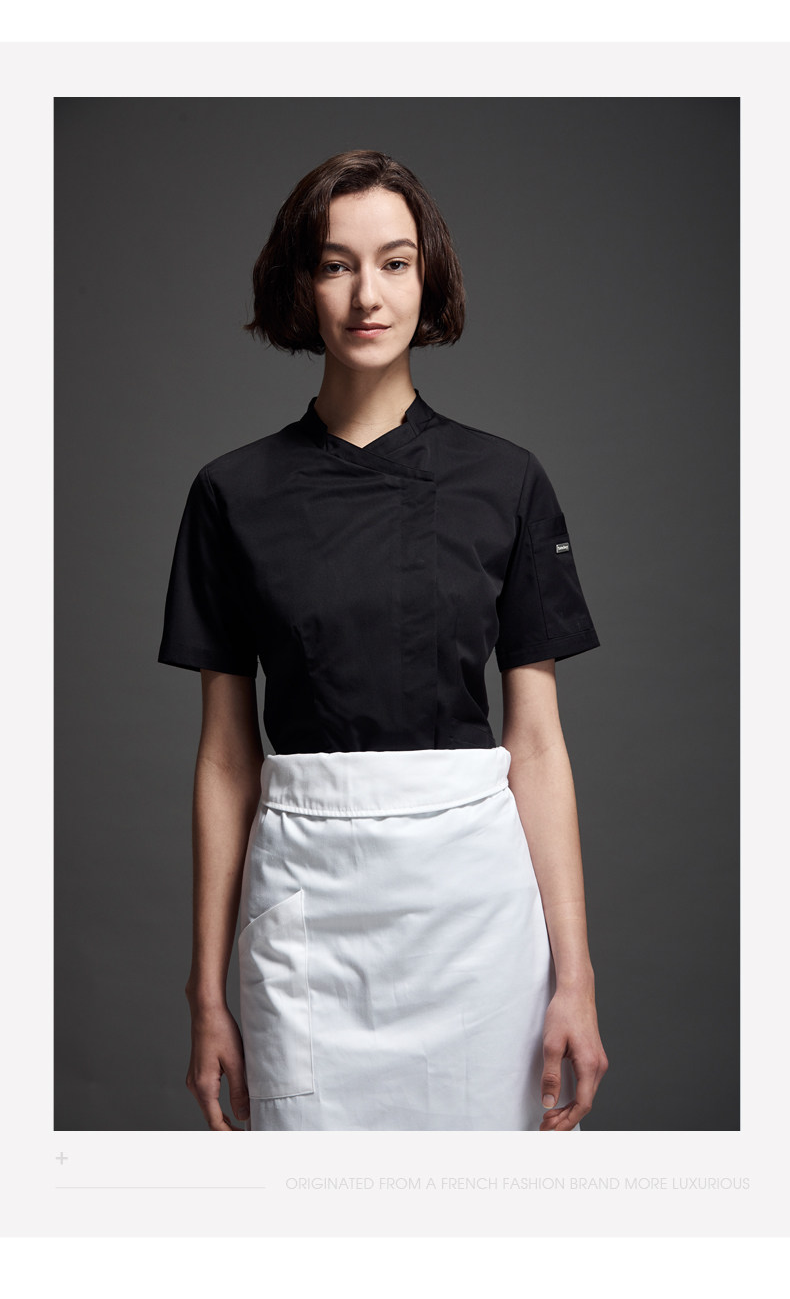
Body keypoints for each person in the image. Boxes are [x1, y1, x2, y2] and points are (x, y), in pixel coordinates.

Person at [158, 150, 608, 1133]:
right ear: (299, 285)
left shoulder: (507, 481)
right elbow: (227, 757)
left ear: (427, 278)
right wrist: (205, 991)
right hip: (305, 914)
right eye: (336, 264)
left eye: (395, 263)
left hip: (476, 919)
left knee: (483, 1215)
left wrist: (574, 979)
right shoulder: (231, 494)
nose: (369, 294)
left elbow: (536, 744)